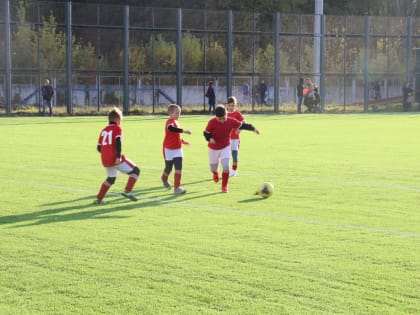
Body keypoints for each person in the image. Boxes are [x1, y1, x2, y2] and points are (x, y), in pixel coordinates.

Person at [203, 104, 260, 193]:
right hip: (213, 148)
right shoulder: (211, 122)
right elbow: (206, 133)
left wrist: (254, 129)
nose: (222, 120)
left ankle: (224, 187)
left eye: (223, 118)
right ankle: (215, 173)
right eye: (219, 119)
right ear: (216, 117)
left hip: (225, 146)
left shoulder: (230, 121)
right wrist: (210, 138)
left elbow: (243, 125)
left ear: (226, 114)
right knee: (213, 168)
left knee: (226, 166)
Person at [94, 107, 140, 204]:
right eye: (121, 119)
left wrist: (106, 154)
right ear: (117, 119)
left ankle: (99, 198)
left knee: (111, 179)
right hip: (114, 158)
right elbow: (118, 142)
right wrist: (117, 157)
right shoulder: (117, 128)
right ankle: (128, 191)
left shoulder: (104, 130)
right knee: (136, 171)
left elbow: (98, 148)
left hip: (105, 159)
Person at [161, 104, 191, 194]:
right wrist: (184, 130)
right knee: (168, 168)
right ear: (170, 113)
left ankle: (177, 188)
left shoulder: (176, 122)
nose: (179, 115)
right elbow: (171, 129)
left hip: (178, 149)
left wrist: (183, 141)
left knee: (178, 168)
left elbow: (176, 136)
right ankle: (164, 178)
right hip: (168, 149)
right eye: (177, 113)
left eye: (179, 113)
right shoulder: (169, 121)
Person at [226, 96, 244, 177]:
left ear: (235, 106)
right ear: (227, 105)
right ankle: (227, 170)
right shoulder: (224, 114)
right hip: (226, 139)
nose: (231, 107)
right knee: (226, 156)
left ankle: (234, 170)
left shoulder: (237, 114)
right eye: (229, 105)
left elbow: (244, 122)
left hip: (235, 139)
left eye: (233, 105)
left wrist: (240, 130)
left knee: (234, 155)